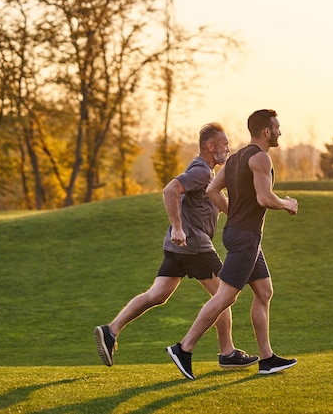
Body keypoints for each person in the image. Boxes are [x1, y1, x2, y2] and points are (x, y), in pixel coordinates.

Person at [95, 122, 258, 369]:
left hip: (180, 247)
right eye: (224, 144)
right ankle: (226, 353)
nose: (228, 148)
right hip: (195, 245)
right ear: (210, 146)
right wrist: (178, 228)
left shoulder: (208, 174)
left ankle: (110, 330)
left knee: (157, 294)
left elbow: (219, 204)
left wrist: (240, 212)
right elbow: (171, 189)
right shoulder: (201, 170)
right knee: (224, 296)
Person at [166, 109, 299, 380]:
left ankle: (267, 358)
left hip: (240, 234)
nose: (280, 132)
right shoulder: (260, 158)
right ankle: (184, 348)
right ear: (266, 131)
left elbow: (212, 190)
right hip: (245, 237)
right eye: (277, 127)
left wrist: (233, 211)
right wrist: (287, 203)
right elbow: (264, 198)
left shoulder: (236, 157)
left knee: (264, 291)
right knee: (226, 296)